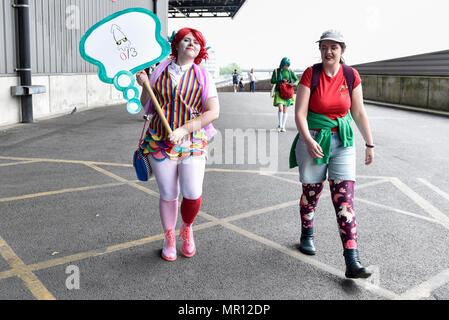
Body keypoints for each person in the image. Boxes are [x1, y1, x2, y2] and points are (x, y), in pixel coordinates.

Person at [289, 30, 374, 278]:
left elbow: (358, 112)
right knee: (311, 193)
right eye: (324, 47)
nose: (328, 51)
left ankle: (352, 261)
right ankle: (307, 232)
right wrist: (307, 139)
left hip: (343, 141)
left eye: (334, 47)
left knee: (344, 201)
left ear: (342, 50)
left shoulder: (351, 75)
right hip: (314, 138)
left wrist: (369, 144)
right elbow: (300, 113)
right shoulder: (311, 73)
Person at [135, 28, 220, 262]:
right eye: (186, 40)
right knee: (169, 194)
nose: (191, 43)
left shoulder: (203, 76)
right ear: (177, 44)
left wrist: (185, 129)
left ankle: (187, 228)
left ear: (200, 49)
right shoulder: (160, 71)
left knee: (192, 193)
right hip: (160, 142)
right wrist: (144, 85)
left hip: (192, 142)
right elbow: (147, 106)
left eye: (196, 42)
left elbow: (213, 112)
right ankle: (169, 237)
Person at [271, 57, 299, 132]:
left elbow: (297, 80)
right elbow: (272, 81)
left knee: (285, 109)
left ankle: (283, 126)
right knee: (280, 108)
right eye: (285, 65)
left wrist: (294, 84)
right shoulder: (276, 71)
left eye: (287, 65)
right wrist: (280, 80)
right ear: (282, 64)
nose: (286, 66)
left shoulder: (290, 71)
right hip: (279, 91)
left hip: (287, 91)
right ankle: (280, 125)